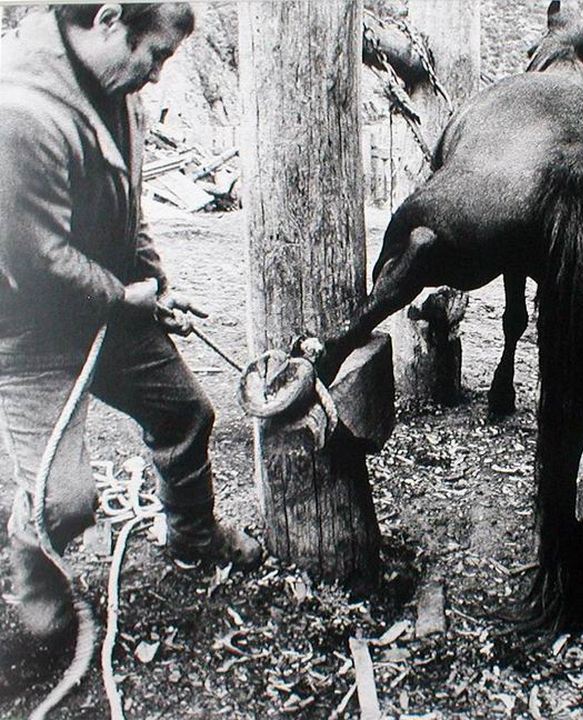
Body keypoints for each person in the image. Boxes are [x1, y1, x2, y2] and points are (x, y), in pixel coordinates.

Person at [0, 3, 262, 640]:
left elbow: (129, 207)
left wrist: (157, 284)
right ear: (110, 20)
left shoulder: (120, 88)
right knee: (63, 501)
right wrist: (127, 297)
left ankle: (193, 539)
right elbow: (38, 260)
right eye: (157, 55)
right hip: (29, 330)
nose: (157, 75)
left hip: (110, 304)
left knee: (184, 413)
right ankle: (37, 592)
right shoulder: (19, 112)